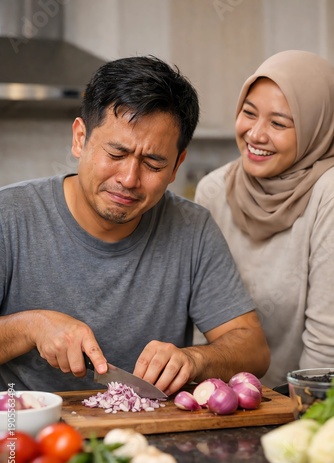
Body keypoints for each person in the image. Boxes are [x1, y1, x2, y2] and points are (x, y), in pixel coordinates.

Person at [0, 55, 269, 394]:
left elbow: (254, 349)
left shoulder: (192, 228)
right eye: (115, 154)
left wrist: (196, 360)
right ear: (80, 138)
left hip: (150, 437)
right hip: (25, 435)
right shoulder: (8, 216)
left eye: (154, 164)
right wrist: (30, 327)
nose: (129, 179)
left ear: (176, 166)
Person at [195, 50, 334, 389]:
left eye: (279, 123)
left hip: (306, 406)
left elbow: (326, 344)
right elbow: (202, 323)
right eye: (249, 113)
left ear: (316, 127)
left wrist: (301, 423)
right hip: (225, 403)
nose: (255, 134)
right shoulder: (213, 190)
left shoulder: (327, 195)